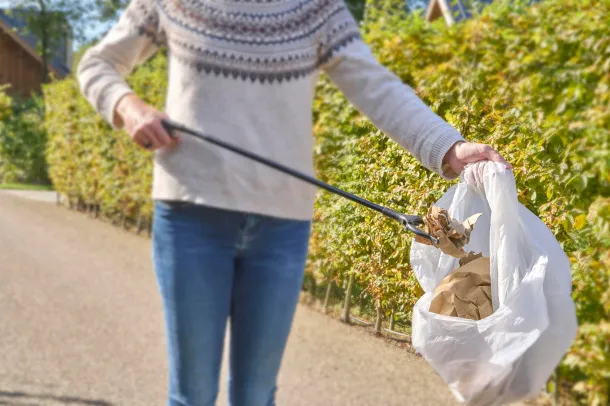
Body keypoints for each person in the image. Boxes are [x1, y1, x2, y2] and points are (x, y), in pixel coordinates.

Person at [77, 0, 510, 405]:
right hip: (191, 220)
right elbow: (97, 65)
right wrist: (128, 108)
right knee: (191, 393)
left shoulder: (315, 7)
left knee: (255, 393)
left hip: (279, 229)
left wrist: (448, 148)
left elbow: (376, 86)